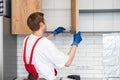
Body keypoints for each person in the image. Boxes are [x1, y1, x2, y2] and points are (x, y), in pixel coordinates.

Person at [23, 12, 82, 80]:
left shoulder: (27, 39)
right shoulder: (45, 44)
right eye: (45, 21)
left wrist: (53, 34)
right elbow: (67, 62)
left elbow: (37, 45)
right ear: (41, 24)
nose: (46, 24)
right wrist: (75, 43)